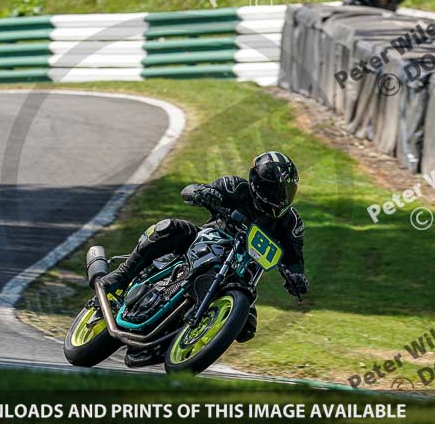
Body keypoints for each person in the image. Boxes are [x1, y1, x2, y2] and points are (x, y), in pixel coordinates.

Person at [98, 151, 308, 363]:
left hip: (241, 274)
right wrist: (203, 193)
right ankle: (123, 274)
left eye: (286, 191)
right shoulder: (236, 187)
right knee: (171, 228)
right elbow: (190, 190)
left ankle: (179, 336)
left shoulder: (291, 222)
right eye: (274, 190)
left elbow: (295, 259)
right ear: (257, 184)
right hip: (208, 243)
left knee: (246, 326)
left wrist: (297, 277)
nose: (280, 197)